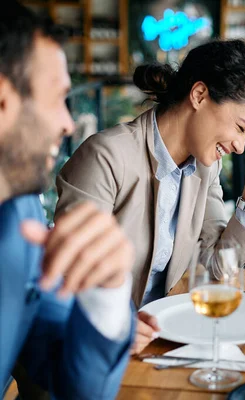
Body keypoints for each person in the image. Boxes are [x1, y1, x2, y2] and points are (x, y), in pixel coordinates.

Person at [55, 39, 245, 353]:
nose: (238, 146)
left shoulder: (205, 167)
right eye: (239, 127)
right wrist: (119, 325)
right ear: (199, 95)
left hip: (164, 338)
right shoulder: (107, 157)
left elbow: (216, 268)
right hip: (100, 344)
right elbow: (69, 275)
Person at [0, 2, 135, 399]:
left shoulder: (21, 215)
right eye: (58, 98)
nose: (68, 122)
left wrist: (107, 292)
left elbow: (76, 387)